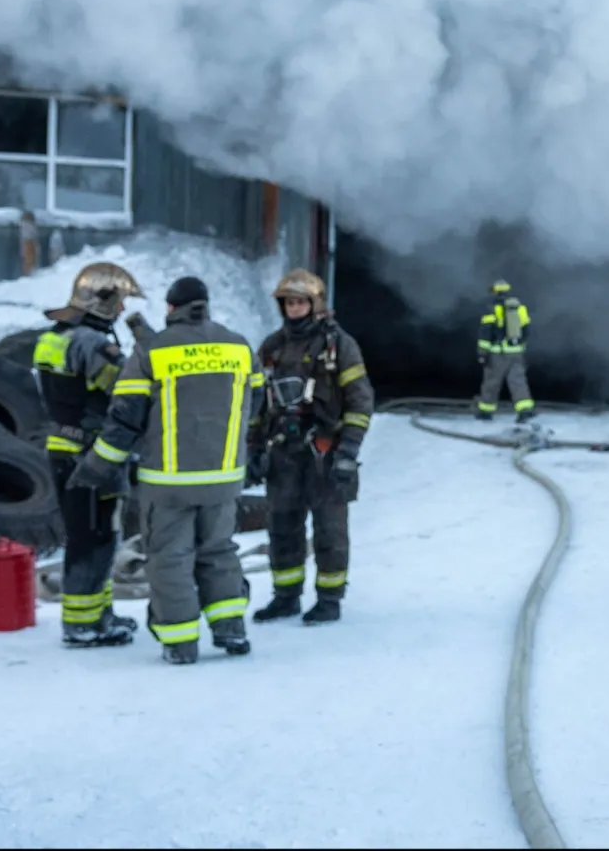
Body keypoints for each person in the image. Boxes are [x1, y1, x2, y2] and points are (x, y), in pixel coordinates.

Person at [69, 277, 261, 665]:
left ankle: (180, 642)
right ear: (204, 305)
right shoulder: (239, 346)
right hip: (224, 479)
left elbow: (124, 422)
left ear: (171, 309)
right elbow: (254, 405)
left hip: (169, 482)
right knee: (219, 552)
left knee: (171, 558)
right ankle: (230, 630)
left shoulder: (152, 351)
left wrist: (95, 469)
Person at [247, 269, 373, 626]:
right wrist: (253, 450)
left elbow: (361, 402)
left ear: (315, 304)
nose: (294, 308)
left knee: (330, 529)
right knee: (282, 526)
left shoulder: (338, 346)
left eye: (300, 301)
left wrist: (348, 451)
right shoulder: (272, 346)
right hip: (283, 453)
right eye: (288, 302)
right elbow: (257, 404)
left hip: (325, 452)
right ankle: (285, 596)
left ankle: (329, 599)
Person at [36, 262, 143, 647]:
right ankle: (83, 624)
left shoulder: (56, 336)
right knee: (95, 537)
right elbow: (122, 389)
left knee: (90, 534)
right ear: (102, 299)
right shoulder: (93, 343)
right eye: (119, 302)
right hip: (90, 454)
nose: (122, 311)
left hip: (63, 447)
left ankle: (99, 615)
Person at [476, 279, 534, 423]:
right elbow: (526, 330)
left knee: (492, 381)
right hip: (516, 352)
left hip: (498, 353)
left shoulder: (492, 308)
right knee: (518, 381)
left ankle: (486, 412)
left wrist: (482, 353)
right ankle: (525, 410)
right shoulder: (520, 307)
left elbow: (486, 333)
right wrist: (520, 346)